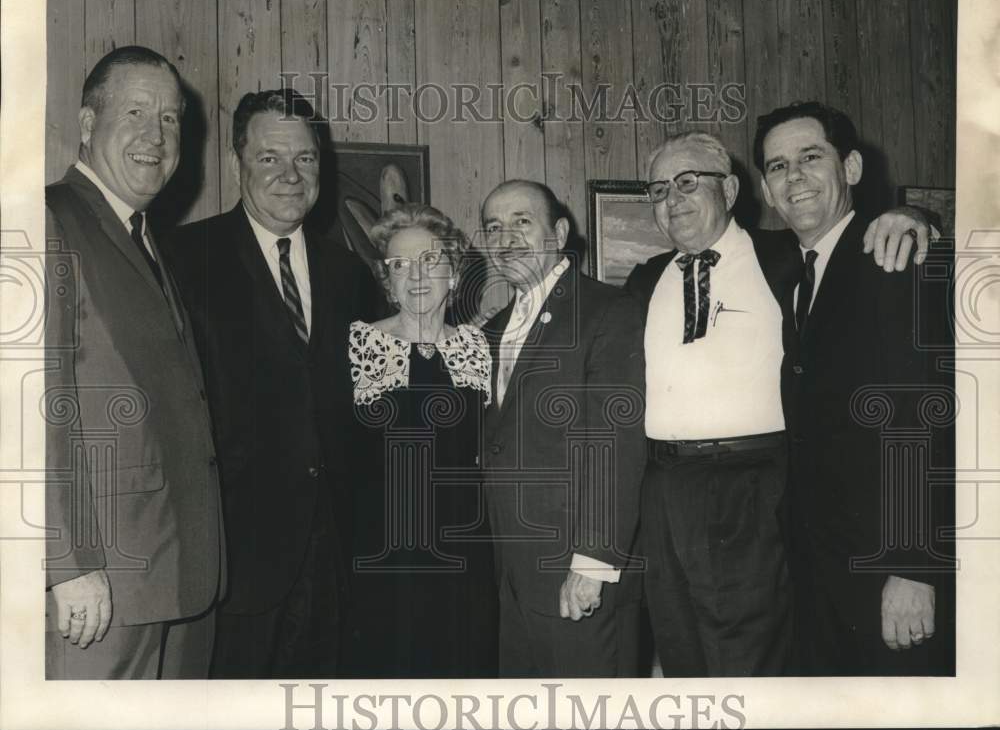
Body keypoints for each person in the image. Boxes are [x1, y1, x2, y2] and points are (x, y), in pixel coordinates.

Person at [625, 131, 933, 677]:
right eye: (657, 190)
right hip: (663, 488)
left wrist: (910, 215)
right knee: (679, 651)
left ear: (733, 188)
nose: (672, 199)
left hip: (749, 483)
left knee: (745, 661)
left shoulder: (785, 257)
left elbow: (853, 242)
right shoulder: (645, 279)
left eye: (688, 181)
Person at [164, 88, 378, 677]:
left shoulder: (349, 274)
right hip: (234, 564)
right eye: (270, 158)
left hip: (338, 561)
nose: (290, 175)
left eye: (305, 159)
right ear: (238, 163)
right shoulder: (183, 259)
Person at [755, 101, 954, 675]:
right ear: (767, 192)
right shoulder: (793, 268)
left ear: (853, 168)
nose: (793, 177)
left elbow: (923, 418)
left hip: (886, 570)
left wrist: (915, 567)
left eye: (810, 157)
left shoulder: (892, 256)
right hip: (818, 568)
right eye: (777, 166)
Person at [44, 45, 223, 678]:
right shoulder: (47, 220)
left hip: (174, 577)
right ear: (88, 124)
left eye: (171, 118)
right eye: (136, 111)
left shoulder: (139, 234)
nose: (156, 135)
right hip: (102, 591)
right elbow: (29, 407)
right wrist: (66, 563)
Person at [480, 180, 646, 677]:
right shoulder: (491, 329)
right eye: (493, 227)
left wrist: (593, 563)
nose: (505, 237)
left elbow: (616, 446)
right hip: (512, 575)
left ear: (559, 232)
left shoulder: (606, 312)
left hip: (578, 576)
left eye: (520, 222)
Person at [344, 204, 498, 677]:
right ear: (386, 280)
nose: (416, 275)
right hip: (383, 552)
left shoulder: (477, 347)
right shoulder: (360, 343)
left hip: (465, 547)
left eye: (430, 261)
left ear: (454, 273)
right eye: (399, 265)